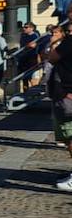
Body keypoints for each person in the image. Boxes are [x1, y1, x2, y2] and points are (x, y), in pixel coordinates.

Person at [46, 21, 72, 191]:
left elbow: (52, 57)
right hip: (63, 94)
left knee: (70, 135)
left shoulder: (68, 43)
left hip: (67, 96)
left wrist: (54, 43)